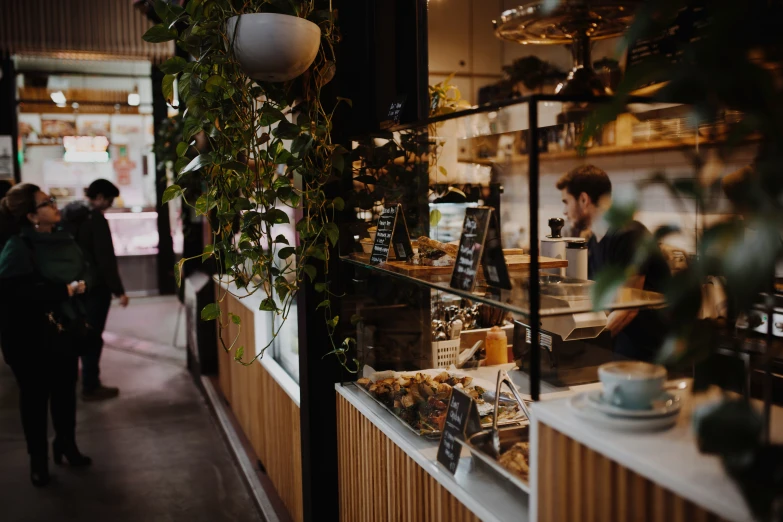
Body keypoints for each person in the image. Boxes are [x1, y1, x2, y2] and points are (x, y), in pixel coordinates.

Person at [0, 184, 93, 487]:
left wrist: (82, 286)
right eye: (46, 202)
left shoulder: (65, 238)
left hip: (64, 332)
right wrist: (66, 289)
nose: (55, 205)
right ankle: (37, 460)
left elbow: (88, 272)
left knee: (66, 394)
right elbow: (18, 296)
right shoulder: (18, 247)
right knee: (35, 401)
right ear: (31, 215)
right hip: (29, 339)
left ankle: (66, 445)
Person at [556, 164, 671, 361]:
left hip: (649, 354)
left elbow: (627, 309)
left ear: (583, 200)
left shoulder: (629, 235)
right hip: (621, 347)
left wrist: (586, 346)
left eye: (566, 202)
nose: (564, 211)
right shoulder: (594, 241)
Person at [62, 179, 128, 400]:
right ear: (99, 196)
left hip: (73, 285)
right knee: (93, 336)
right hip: (95, 287)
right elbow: (105, 258)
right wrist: (119, 290)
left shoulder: (69, 214)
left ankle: (74, 380)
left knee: (77, 331)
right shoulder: (95, 219)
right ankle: (91, 385)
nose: (109, 204)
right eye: (108, 200)